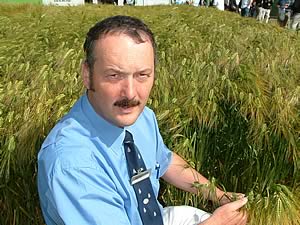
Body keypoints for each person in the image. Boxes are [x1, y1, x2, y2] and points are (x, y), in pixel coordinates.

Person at [37, 15, 248, 225]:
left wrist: (220, 195)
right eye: (114, 75)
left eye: (142, 75)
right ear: (87, 74)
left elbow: (165, 161)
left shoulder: (142, 117)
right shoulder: (73, 165)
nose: (130, 94)